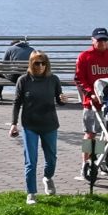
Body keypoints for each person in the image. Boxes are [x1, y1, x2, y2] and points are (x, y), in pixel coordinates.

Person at [10, 50, 65, 205]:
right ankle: (31, 193)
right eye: (37, 63)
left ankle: (47, 177)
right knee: (31, 161)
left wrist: (62, 100)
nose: (40, 66)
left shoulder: (53, 79)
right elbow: (16, 103)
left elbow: (59, 100)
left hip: (50, 124)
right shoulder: (23, 80)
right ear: (31, 64)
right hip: (30, 126)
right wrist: (14, 124)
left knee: (52, 159)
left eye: (43, 63)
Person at [74, 27, 108, 167]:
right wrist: (90, 93)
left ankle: (101, 160)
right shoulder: (84, 56)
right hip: (92, 103)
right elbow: (79, 79)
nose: (102, 43)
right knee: (90, 135)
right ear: (92, 40)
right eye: (99, 40)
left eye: (105, 40)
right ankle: (86, 163)